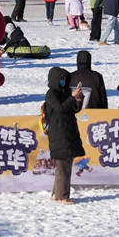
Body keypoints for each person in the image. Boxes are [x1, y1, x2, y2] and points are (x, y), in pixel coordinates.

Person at [44, 67, 85, 204]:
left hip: (67, 129)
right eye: (61, 79)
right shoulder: (51, 94)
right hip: (59, 131)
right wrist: (72, 97)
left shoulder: (66, 91)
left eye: (64, 79)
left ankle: (56, 193)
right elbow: (60, 108)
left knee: (63, 165)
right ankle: (62, 196)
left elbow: (73, 109)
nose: (63, 81)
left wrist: (78, 100)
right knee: (64, 165)